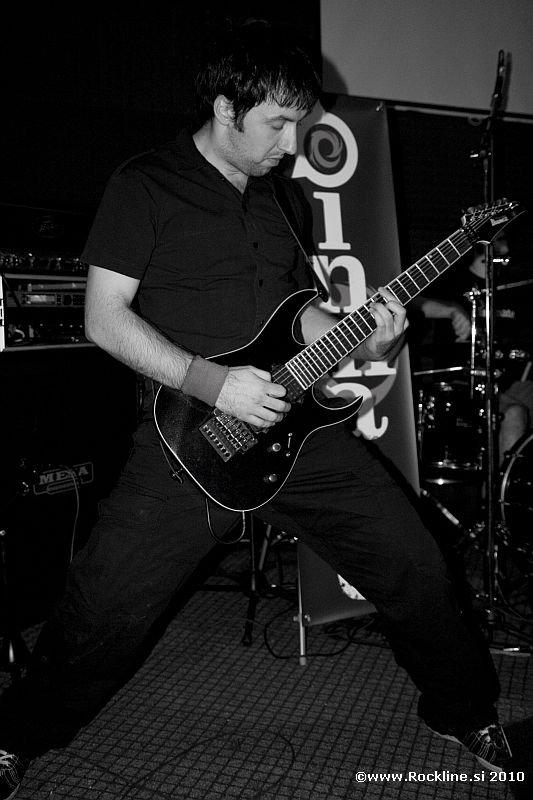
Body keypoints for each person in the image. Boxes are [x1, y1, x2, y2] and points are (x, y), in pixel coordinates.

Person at [0, 20, 511, 798]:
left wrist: (364, 333)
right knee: (102, 614)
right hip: (188, 439)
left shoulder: (282, 199)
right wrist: (211, 382)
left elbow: (297, 317)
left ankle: (460, 711)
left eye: (299, 124)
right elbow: (103, 320)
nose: (291, 143)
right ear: (224, 108)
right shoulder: (146, 184)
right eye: (276, 124)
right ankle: (14, 736)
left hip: (297, 433)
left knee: (415, 564)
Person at [411, 236, 533, 462]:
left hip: (507, 381)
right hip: (464, 384)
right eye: (501, 238)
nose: (507, 247)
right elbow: (410, 302)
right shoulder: (451, 283)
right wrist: (452, 309)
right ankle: (503, 483)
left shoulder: (511, 287)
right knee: (515, 413)